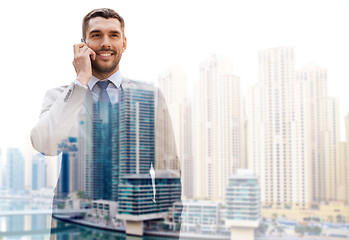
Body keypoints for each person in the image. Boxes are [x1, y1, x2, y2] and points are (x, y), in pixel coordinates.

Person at [31, 8, 181, 238]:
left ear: (124, 43)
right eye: (96, 35)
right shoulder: (59, 97)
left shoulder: (150, 97)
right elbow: (45, 145)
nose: (105, 43)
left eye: (113, 35)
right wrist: (81, 81)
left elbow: (167, 174)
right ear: (83, 44)